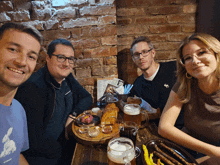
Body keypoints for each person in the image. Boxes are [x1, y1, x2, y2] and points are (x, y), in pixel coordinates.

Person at [15, 39, 93, 165]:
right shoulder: (33, 88)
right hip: (46, 158)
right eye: (61, 58)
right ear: (48, 58)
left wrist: (73, 115)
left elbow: (87, 98)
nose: (67, 64)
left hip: (66, 145)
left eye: (71, 59)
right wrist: (69, 149)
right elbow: (34, 141)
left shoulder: (67, 77)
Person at [158, 33, 220, 162]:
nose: (195, 61)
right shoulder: (184, 84)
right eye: (188, 58)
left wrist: (215, 153)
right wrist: (213, 151)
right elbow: (164, 127)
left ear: (216, 54)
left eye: (202, 52)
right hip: (190, 147)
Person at [0, 22, 43, 165]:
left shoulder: (18, 109)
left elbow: (14, 154)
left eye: (31, 57)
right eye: (13, 49)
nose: (22, 62)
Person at [128, 36, 179, 126]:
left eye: (144, 52)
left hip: (184, 127)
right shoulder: (138, 84)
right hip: (157, 130)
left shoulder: (174, 68)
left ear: (153, 53)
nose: (141, 57)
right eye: (136, 54)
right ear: (133, 59)